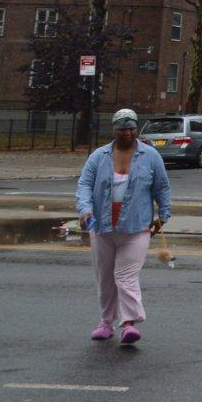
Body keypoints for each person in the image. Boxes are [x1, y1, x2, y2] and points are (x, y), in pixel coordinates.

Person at [75, 108, 171, 347]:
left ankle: (129, 324)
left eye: (131, 128)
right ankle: (105, 322)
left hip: (136, 226)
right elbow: (85, 185)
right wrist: (85, 210)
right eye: (122, 128)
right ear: (114, 129)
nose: (127, 132)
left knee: (125, 275)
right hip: (102, 226)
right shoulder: (99, 156)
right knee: (105, 277)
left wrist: (163, 215)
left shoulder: (150, 156)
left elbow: (162, 187)